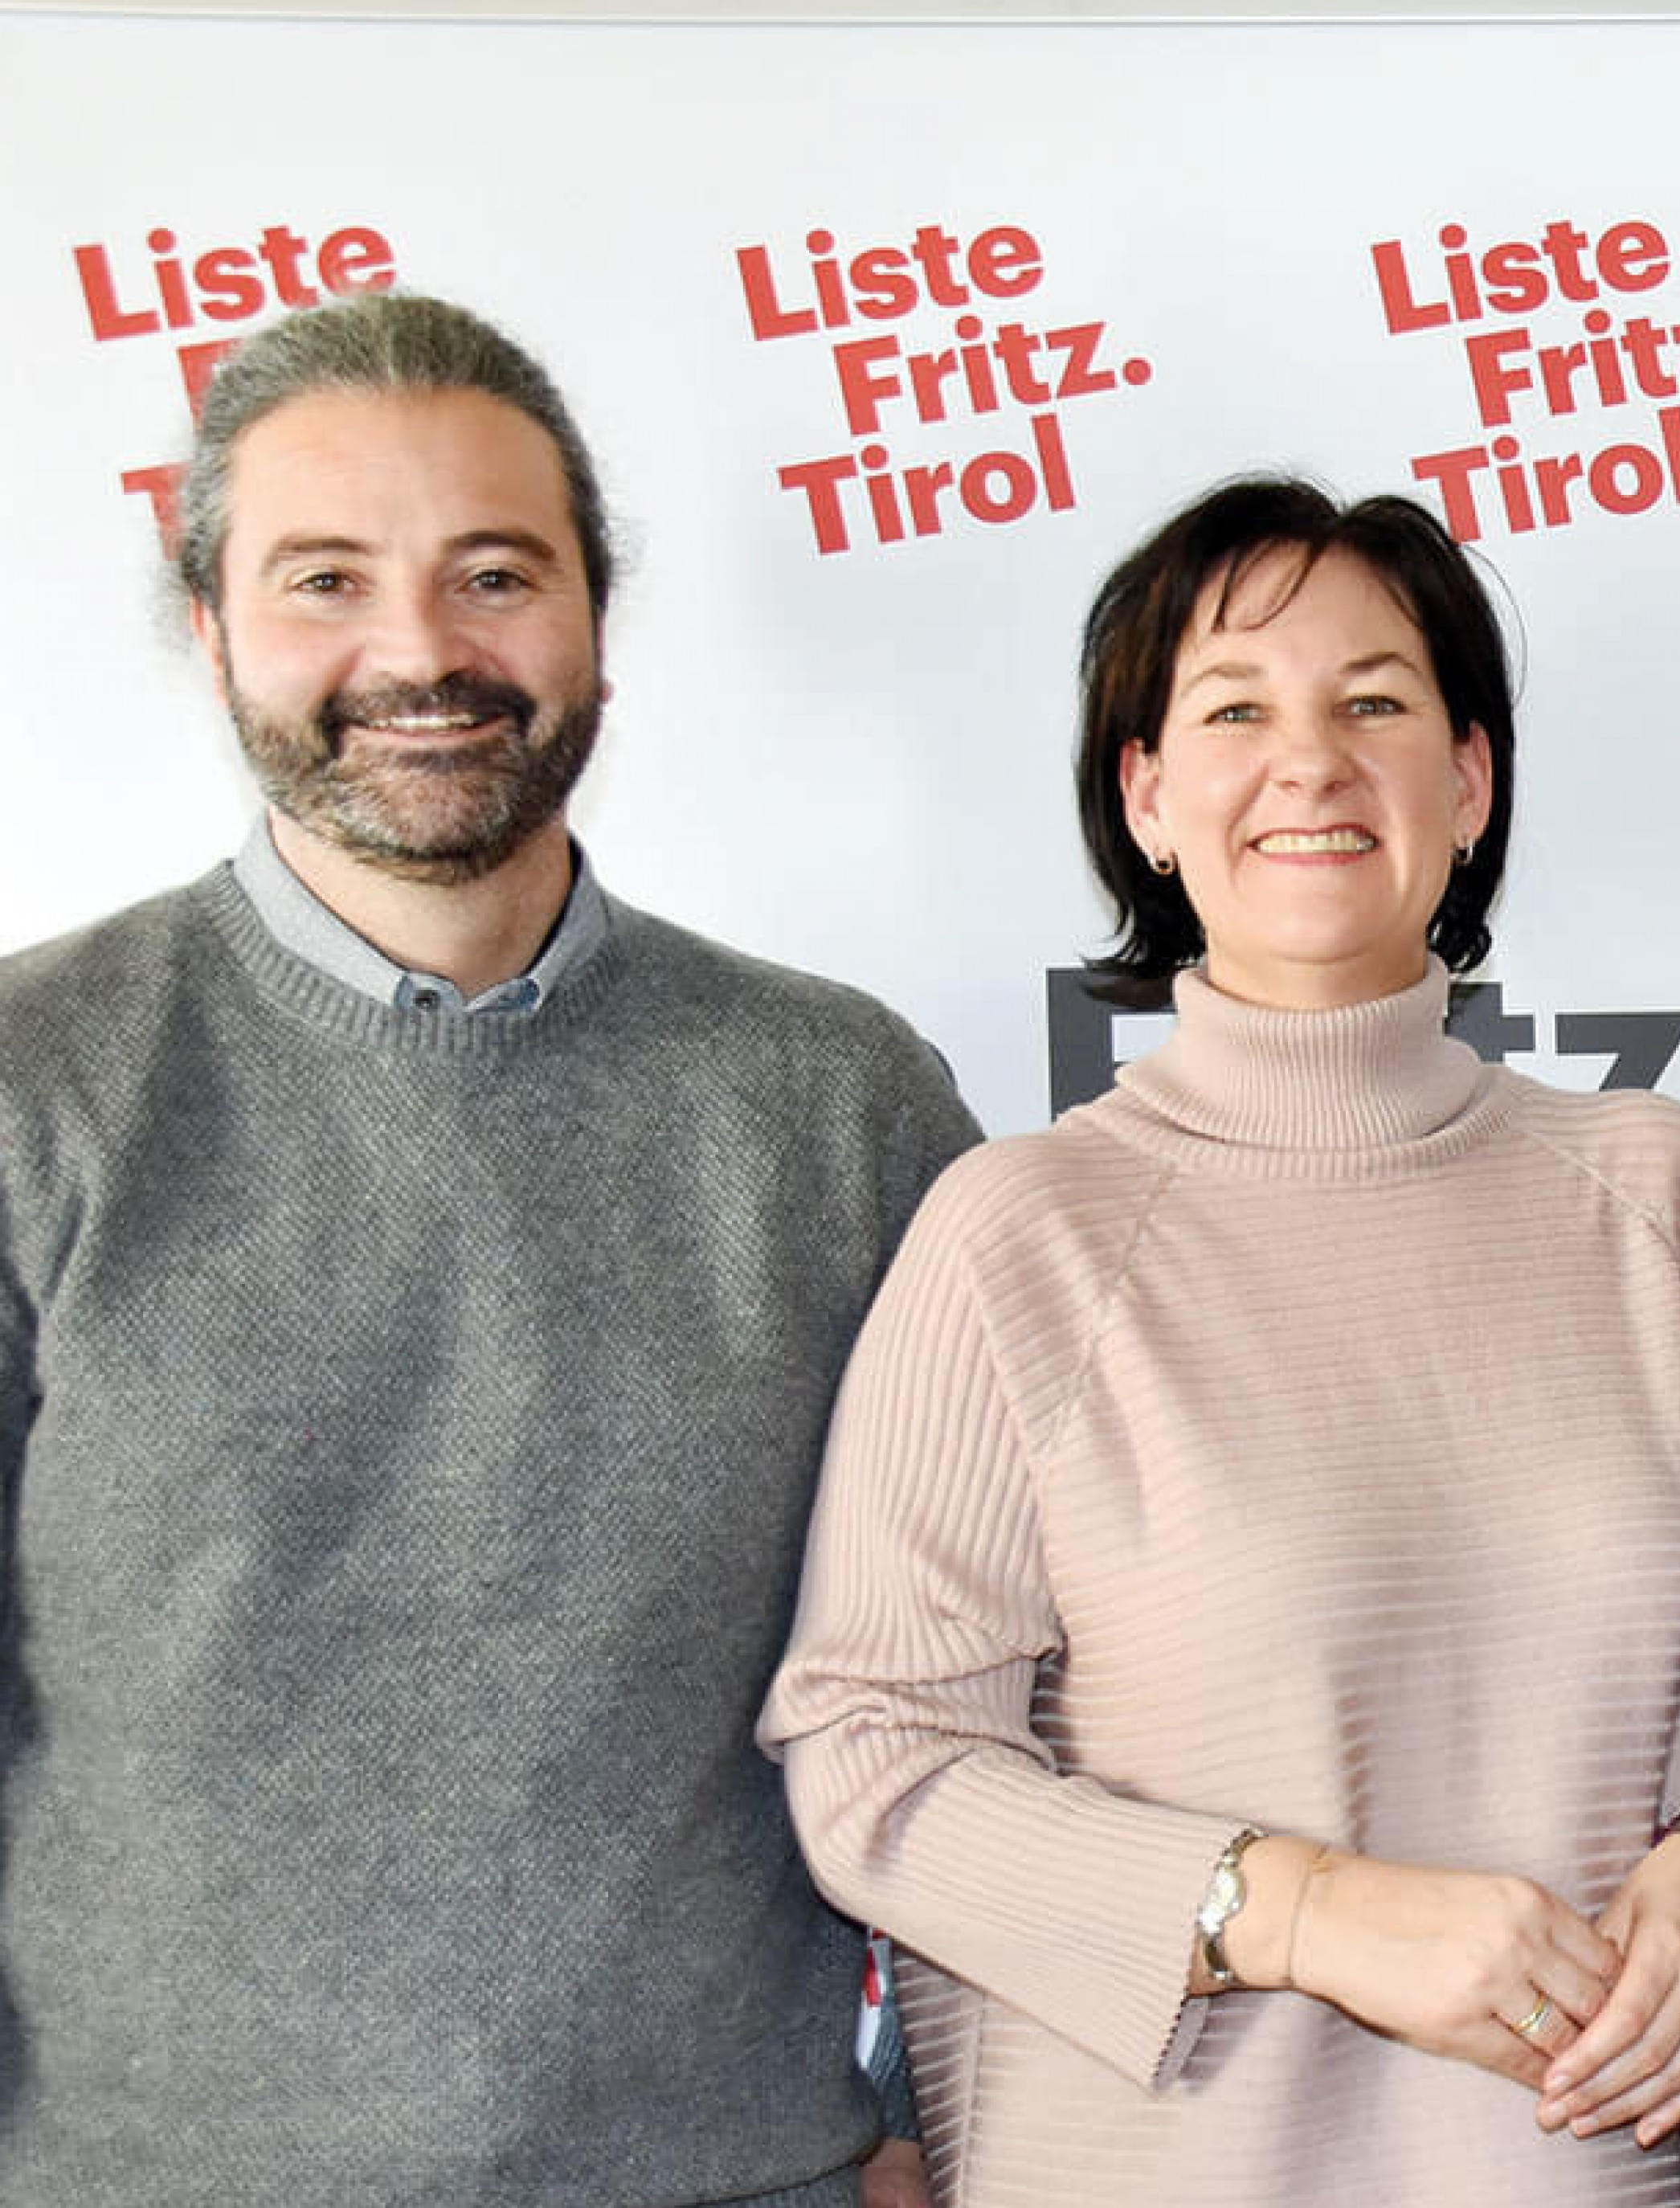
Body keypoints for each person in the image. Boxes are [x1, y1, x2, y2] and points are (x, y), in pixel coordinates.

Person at [0, 291, 978, 2204]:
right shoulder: (34, 1089)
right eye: (325, 581)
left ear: (598, 615)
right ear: (207, 632)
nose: (420, 653)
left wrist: (942, 2118)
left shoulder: (839, 1103)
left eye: (494, 574)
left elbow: (980, 1692)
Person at [760, 476, 1680, 2206]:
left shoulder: (1662, 1196)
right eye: (1236, 709)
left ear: (1468, 784)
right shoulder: (1020, 1235)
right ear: (1149, 799)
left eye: (1377, 704)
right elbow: (878, 1762)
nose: (1312, 761)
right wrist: (1312, 1912)